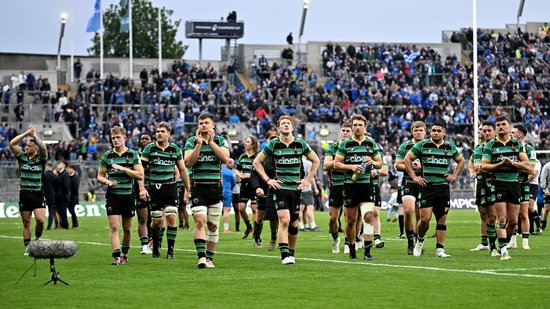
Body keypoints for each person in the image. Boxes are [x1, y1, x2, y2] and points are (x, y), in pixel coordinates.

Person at [253, 115, 320, 265]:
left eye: (288, 123)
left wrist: (308, 180)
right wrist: (268, 180)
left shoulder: (301, 144)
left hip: (296, 189)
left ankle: (291, 253)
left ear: (292, 126)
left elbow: (316, 160)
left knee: (294, 223)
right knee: (284, 220)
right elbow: (257, 162)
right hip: (280, 188)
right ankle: (284, 255)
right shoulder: (273, 145)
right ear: (278, 128)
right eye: (283, 123)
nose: (286, 125)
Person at [405, 120, 465, 258]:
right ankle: (419, 241)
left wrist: (454, 175)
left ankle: (440, 249)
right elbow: (407, 159)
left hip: (443, 188)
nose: (435, 133)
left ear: (444, 132)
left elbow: (461, 161)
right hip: (427, 187)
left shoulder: (449, 147)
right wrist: (414, 177)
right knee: (425, 219)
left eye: (438, 131)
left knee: (442, 219)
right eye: (433, 131)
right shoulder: (422, 145)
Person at [334, 114, 383, 260]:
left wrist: (372, 163)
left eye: (360, 125)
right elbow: (337, 164)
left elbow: (379, 162)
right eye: (354, 125)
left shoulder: (371, 143)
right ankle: (352, 247)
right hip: (350, 185)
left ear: (365, 126)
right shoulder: (345, 144)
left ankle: (367, 252)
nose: (357, 127)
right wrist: (352, 167)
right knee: (351, 220)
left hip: (366, 185)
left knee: (368, 216)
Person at [481, 116, 531, 260]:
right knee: (502, 219)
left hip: (514, 184)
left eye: (503, 124)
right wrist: (499, 165)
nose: (501, 127)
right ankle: (503, 251)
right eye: (498, 125)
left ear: (509, 127)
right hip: (498, 184)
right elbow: (484, 167)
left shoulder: (517, 144)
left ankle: (503, 242)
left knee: (513, 221)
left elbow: (526, 164)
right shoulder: (490, 145)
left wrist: (512, 163)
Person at [185, 114, 229, 268]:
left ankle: (210, 258)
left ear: (213, 125)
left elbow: (225, 159)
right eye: (200, 123)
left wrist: (210, 143)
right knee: (200, 221)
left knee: (213, 226)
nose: (203, 125)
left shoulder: (221, 140)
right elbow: (188, 162)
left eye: (206, 123)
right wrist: (198, 145)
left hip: (215, 188)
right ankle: (202, 257)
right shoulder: (191, 141)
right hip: (198, 188)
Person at [140, 122, 190, 260]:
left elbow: (182, 169)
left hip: (170, 187)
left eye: (162, 131)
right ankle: (156, 245)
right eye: (157, 131)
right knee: (156, 221)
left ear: (168, 134)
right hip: (155, 188)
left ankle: (171, 251)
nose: (159, 133)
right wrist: (142, 187)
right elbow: (140, 170)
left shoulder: (174, 149)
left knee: (171, 217)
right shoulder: (149, 149)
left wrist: (188, 189)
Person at [98, 126, 144, 265]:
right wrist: (107, 182)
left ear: (125, 137)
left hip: (128, 195)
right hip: (113, 196)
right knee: (113, 227)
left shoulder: (133, 154)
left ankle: (124, 253)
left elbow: (140, 175)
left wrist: (124, 169)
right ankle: (117, 257)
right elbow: (100, 176)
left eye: (118, 137)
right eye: (113, 138)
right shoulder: (107, 155)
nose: (115, 140)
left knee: (127, 229)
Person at [9, 126, 48, 255]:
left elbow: (43, 148)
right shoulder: (22, 157)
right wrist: (26, 133)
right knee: (26, 222)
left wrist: (34, 136)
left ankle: (37, 238)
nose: (27, 147)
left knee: (40, 221)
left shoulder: (41, 159)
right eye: (26, 146)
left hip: (38, 193)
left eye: (30, 146)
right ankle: (28, 247)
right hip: (25, 193)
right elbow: (12, 143)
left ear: (35, 148)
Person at [395, 121, 426, 255]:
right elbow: (398, 165)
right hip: (409, 182)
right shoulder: (405, 146)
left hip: (425, 183)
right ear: (412, 132)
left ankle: (419, 243)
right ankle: (410, 242)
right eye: (416, 130)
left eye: (420, 130)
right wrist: (412, 166)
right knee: (408, 210)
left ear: (425, 131)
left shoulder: (429, 146)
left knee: (421, 216)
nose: (418, 132)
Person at [323, 122, 352, 253]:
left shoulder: (354, 148)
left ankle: (348, 242)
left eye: (347, 131)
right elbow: (325, 165)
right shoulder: (333, 148)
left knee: (349, 217)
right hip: (336, 185)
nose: (345, 133)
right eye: (343, 130)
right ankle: (335, 239)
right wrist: (338, 162)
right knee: (332, 218)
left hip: (351, 184)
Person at [470, 122, 498, 254]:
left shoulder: (498, 146)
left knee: (500, 215)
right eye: (481, 130)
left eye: (486, 130)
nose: (483, 132)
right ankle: (485, 242)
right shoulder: (478, 148)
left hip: (499, 183)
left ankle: (506, 240)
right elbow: (473, 164)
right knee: (484, 214)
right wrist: (472, 171)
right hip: (482, 183)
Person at [509, 124, 538, 249]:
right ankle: (513, 242)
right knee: (512, 215)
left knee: (524, 213)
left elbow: (531, 169)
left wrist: (514, 165)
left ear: (519, 135)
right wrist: (522, 166)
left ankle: (525, 242)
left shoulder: (530, 149)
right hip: (511, 184)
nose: (510, 134)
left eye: (513, 132)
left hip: (523, 184)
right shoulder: (510, 147)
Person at [250, 133, 279, 251]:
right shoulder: (261, 157)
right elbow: (254, 174)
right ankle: (256, 236)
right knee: (260, 216)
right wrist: (257, 187)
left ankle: (273, 237)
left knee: (274, 217)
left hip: (276, 189)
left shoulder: (281, 156)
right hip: (263, 189)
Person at [235, 136, 260, 241]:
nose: (245, 143)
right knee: (240, 208)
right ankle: (249, 227)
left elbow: (260, 171)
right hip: (244, 185)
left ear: (253, 144)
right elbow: (237, 169)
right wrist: (240, 174)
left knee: (255, 209)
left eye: (247, 141)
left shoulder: (258, 156)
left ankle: (255, 233)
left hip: (255, 185)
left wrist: (248, 175)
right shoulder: (242, 157)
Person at [135, 132, 153, 254]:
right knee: (143, 218)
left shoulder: (157, 154)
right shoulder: (135, 155)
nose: (144, 140)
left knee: (156, 217)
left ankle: (155, 240)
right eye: (142, 139)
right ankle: (145, 245)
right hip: (140, 189)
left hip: (155, 188)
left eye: (147, 139)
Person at [299, 155, 320, 232]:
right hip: (306, 188)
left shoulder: (297, 162)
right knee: (309, 207)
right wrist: (315, 188)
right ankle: (313, 225)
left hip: (297, 188)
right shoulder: (308, 163)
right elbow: (311, 177)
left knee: (301, 208)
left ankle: (303, 225)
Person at [222, 159, 237, 233]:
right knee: (226, 211)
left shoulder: (219, 170)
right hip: (227, 192)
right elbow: (234, 183)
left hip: (217, 191)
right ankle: (226, 228)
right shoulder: (230, 172)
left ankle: (212, 227)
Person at [42, 163, 58, 230]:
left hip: (47, 195)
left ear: (48, 167)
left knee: (51, 210)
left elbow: (42, 185)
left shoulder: (44, 175)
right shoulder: (55, 176)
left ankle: (49, 226)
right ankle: (57, 224)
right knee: (54, 210)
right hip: (54, 195)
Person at [56, 161, 71, 229]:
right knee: (60, 210)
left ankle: (65, 225)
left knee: (63, 211)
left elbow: (66, 186)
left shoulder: (65, 174)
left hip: (63, 196)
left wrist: (62, 194)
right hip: (59, 196)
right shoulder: (60, 173)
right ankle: (62, 224)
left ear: (64, 165)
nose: (58, 165)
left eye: (60, 163)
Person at [67, 165, 80, 229]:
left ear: (73, 170)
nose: (68, 170)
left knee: (72, 211)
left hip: (73, 197)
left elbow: (75, 187)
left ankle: (75, 225)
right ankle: (74, 224)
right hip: (69, 197)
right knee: (71, 211)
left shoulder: (76, 177)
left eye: (70, 169)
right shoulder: (68, 177)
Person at [541, 160, 550, 231]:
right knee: (547, 209)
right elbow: (543, 178)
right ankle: (543, 223)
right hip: (549, 190)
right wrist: (545, 189)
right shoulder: (547, 166)